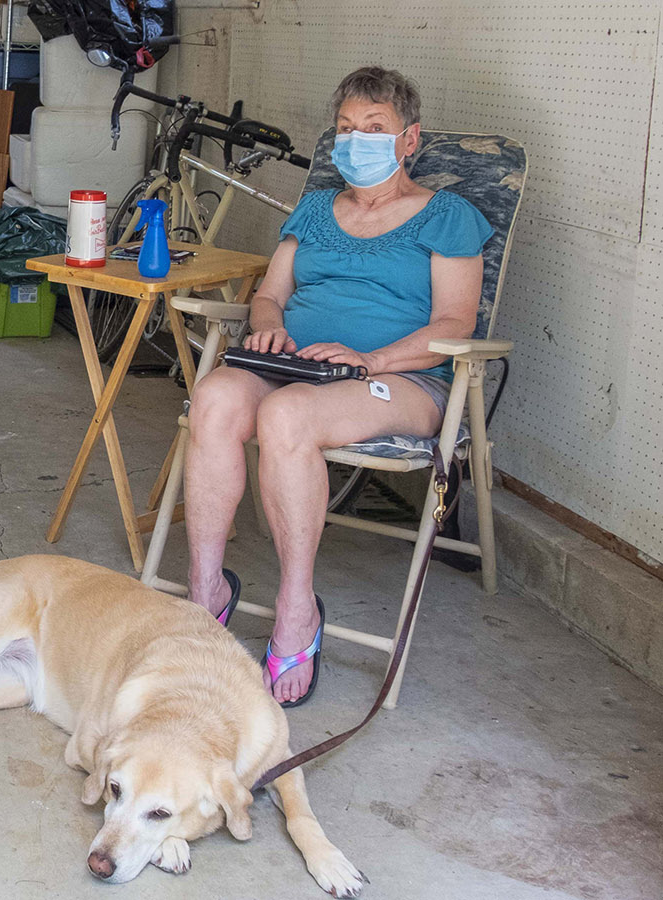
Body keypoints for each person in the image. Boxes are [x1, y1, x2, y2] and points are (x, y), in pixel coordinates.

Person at [183, 67, 492, 707]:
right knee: (214, 395)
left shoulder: (447, 215)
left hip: (401, 377)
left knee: (288, 418)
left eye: (374, 129)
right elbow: (270, 295)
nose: (357, 140)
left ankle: (297, 611)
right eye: (346, 128)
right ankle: (204, 589)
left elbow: (454, 324)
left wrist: (369, 360)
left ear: (409, 140)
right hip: (297, 363)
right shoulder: (318, 208)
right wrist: (269, 330)